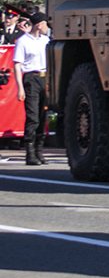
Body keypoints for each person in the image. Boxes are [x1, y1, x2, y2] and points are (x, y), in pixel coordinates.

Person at [14, 8, 51, 165]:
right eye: (44, 24)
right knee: (33, 117)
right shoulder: (23, 41)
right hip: (31, 78)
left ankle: (39, 151)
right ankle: (30, 153)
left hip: (45, 77)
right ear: (39, 25)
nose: (46, 27)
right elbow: (17, 65)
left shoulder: (45, 40)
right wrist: (20, 88)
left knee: (43, 116)